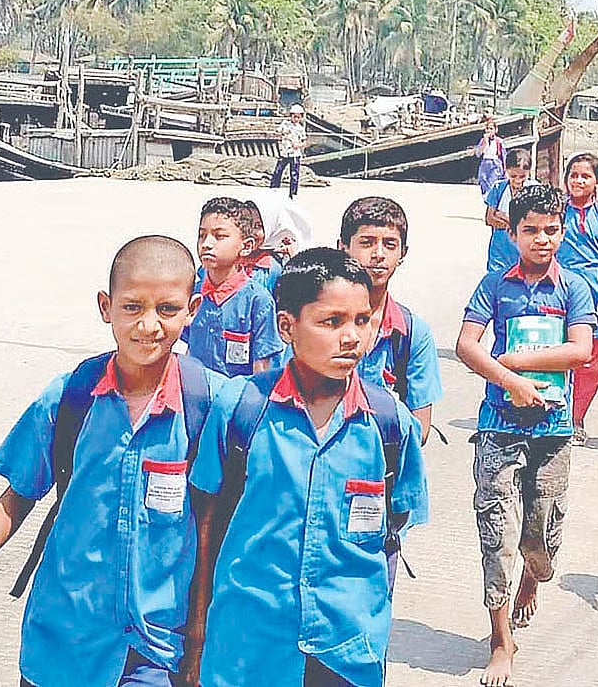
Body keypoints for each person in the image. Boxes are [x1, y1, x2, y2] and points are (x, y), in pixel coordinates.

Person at [0, 236, 223, 687]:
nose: (149, 325)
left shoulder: (210, 404)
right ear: (106, 307)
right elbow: (16, 498)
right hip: (63, 644)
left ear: (192, 309)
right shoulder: (69, 399)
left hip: (155, 650)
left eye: (167, 309)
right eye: (132, 307)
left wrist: (201, 640)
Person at [183, 248, 428, 687]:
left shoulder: (390, 423)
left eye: (362, 320)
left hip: (347, 651)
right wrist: (197, 633)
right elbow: (204, 524)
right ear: (286, 327)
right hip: (247, 648)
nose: (351, 337)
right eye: (331, 322)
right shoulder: (242, 408)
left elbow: (394, 531)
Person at [454, 183, 596, 687]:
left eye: (551, 230)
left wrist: (520, 361)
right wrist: (508, 380)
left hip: (553, 430)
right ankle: (501, 640)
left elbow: (580, 350)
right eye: (530, 230)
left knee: (541, 537)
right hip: (499, 425)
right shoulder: (495, 285)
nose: (542, 239)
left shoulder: (574, 287)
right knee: (497, 533)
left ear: (564, 231)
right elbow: (467, 344)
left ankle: (532, 579)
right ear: (512, 233)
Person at [339, 196, 443, 446]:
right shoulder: (317, 322)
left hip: (385, 459)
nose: (378, 254)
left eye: (389, 244)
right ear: (343, 247)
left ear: (402, 253)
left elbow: (420, 429)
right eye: (367, 243)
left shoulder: (413, 333)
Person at [556, 152, 598, 442]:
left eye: (585, 176)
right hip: (559, 293)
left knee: (592, 363)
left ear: (597, 181)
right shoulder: (558, 211)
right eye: (574, 175)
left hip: (595, 295)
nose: (578, 181)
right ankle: (557, 414)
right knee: (559, 355)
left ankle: (577, 418)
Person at [183, 197, 285, 377]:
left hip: (238, 392)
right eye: (202, 235)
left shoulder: (258, 301)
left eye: (219, 236)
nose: (206, 244)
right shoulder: (192, 294)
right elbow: (189, 346)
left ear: (246, 247)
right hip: (195, 388)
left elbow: (262, 367)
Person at [484, 147, 537, 273]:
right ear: (506, 170)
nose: (518, 181)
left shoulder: (534, 189)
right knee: (496, 279)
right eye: (513, 176)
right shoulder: (498, 188)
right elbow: (490, 219)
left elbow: (535, 221)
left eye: (522, 177)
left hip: (524, 249)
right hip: (500, 249)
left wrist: (504, 217)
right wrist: (518, 224)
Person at [271, 104, 306, 198]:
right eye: (294, 116)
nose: (296, 119)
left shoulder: (301, 129)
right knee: (277, 172)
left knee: (294, 175)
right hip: (284, 153)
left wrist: (297, 145)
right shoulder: (285, 124)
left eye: (298, 117)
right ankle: (274, 189)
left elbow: (304, 142)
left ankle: (293, 194)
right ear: (291, 115)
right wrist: (283, 133)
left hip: (295, 154)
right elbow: (277, 132)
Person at [475, 115, 506, 196]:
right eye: (487, 128)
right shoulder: (483, 141)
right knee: (483, 179)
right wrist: (485, 142)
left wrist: (505, 169)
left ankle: (492, 196)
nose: (489, 131)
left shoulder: (499, 141)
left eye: (491, 129)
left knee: (493, 181)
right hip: (485, 162)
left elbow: (503, 156)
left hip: (495, 163)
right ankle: (486, 195)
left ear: (495, 130)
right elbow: (478, 154)